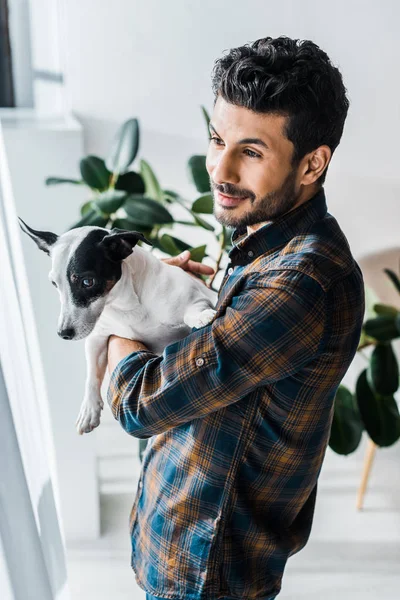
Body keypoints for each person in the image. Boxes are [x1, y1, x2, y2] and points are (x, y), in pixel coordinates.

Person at [107, 36, 365, 600]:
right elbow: (233, 371)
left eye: (250, 151)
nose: (219, 169)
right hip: (188, 541)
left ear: (312, 163)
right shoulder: (266, 241)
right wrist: (184, 298)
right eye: (217, 139)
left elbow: (137, 402)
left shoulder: (301, 281)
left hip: (207, 571)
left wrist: (123, 310)